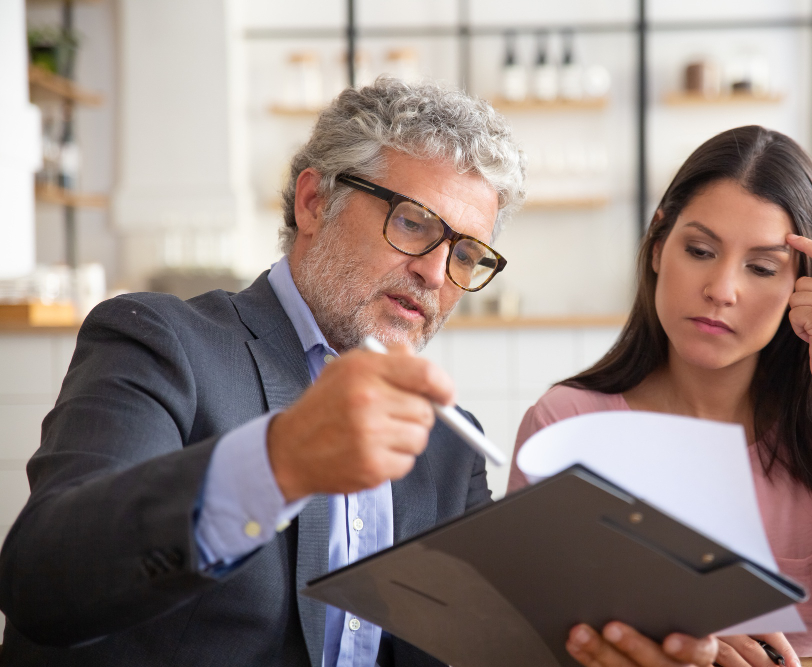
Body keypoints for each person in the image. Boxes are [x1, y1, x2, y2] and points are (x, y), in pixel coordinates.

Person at [0, 78, 717, 667]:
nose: (436, 273)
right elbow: (40, 582)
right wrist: (279, 461)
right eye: (412, 223)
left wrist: (616, 642)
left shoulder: (447, 444)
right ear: (313, 201)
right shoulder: (164, 341)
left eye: (466, 254)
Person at [509, 126, 812, 666]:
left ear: (803, 287)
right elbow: (518, 646)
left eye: (762, 268)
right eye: (700, 250)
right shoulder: (563, 423)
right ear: (659, 245)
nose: (722, 289)